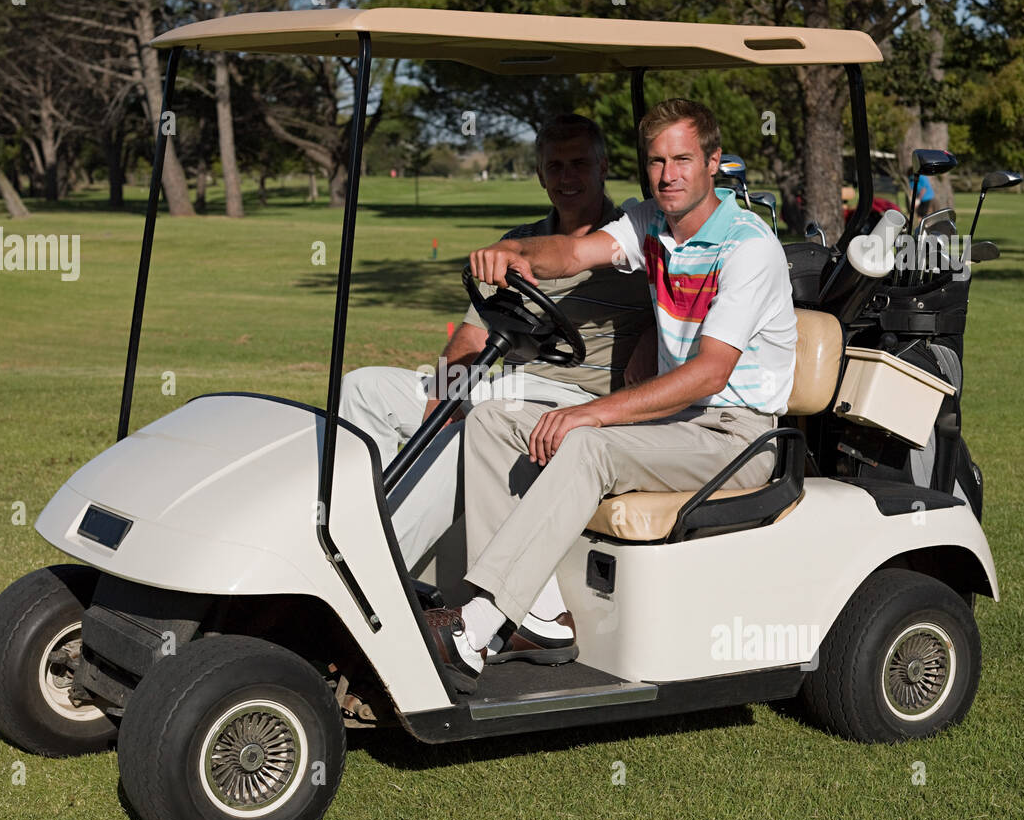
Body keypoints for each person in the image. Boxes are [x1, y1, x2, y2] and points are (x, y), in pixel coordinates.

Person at [429, 99, 798, 692]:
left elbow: (708, 373)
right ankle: (540, 617)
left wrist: (591, 413)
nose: (668, 174)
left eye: (682, 159)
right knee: (494, 419)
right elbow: (574, 252)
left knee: (588, 445)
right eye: (656, 161)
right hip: (677, 423)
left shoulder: (746, 246)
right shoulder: (653, 224)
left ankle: (473, 629)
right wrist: (516, 255)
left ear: (713, 162)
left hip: (737, 435)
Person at [339, 114, 654, 660]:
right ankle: (342, 532)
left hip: (582, 400)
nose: (567, 176)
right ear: (539, 174)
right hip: (510, 384)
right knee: (364, 388)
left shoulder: (634, 241)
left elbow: (677, 320)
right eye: (554, 166)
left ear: (604, 166)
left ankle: (367, 586)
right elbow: (472, 332)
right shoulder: (519, 243)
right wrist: (446, 393)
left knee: (465, 435)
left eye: (580, 162)